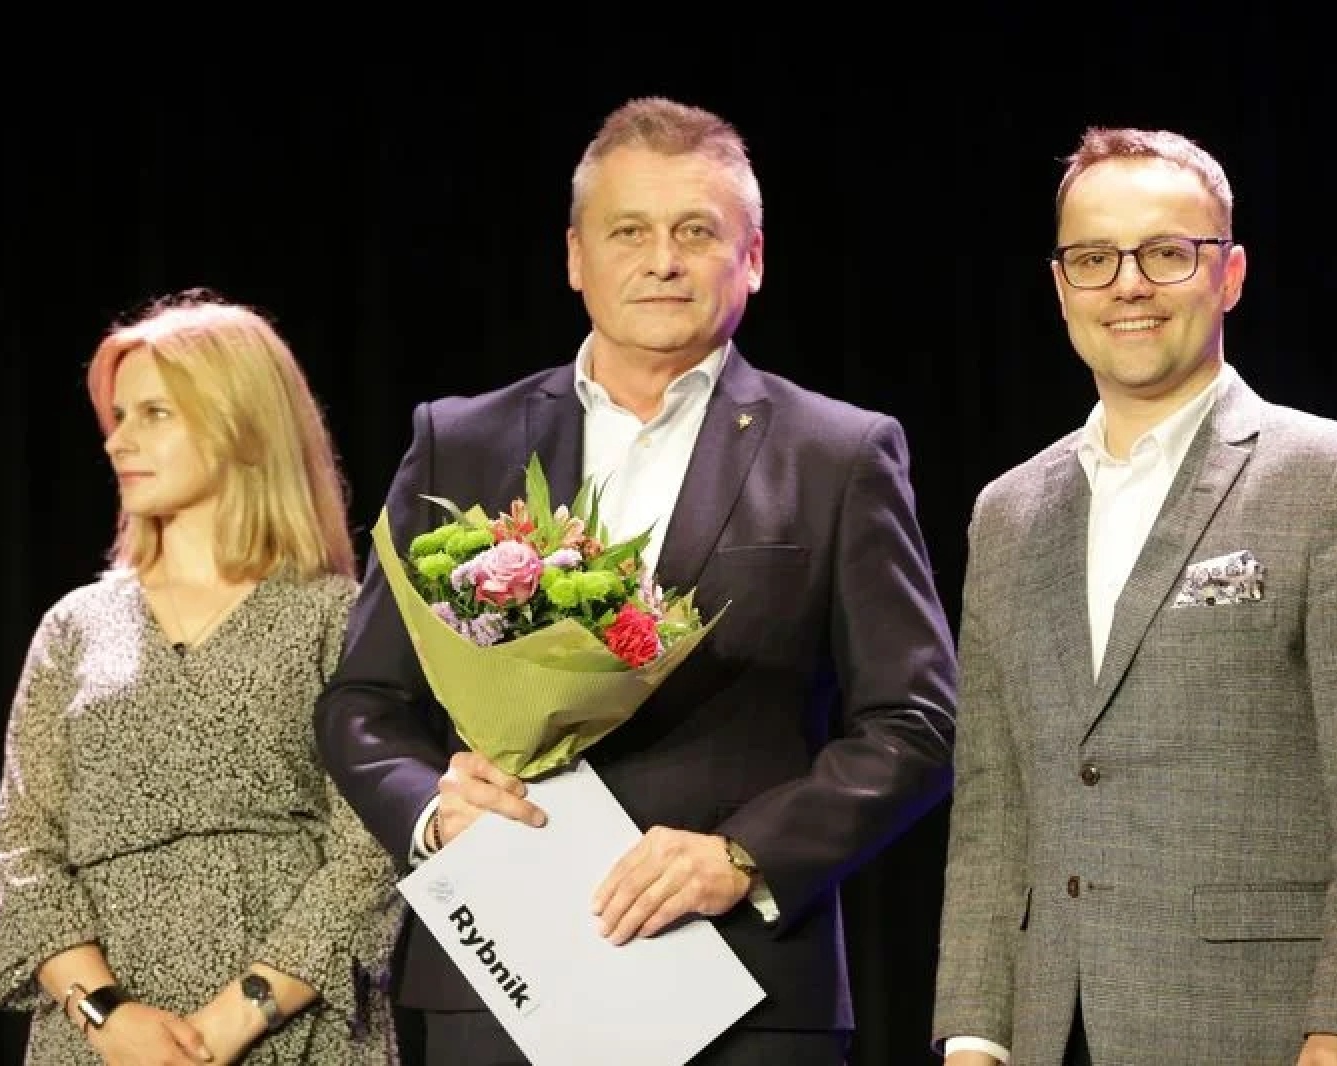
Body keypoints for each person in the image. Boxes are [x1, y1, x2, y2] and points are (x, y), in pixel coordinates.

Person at [314, 96, 958, 1066]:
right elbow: (361, 702)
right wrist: (433, 811)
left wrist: (743, 855)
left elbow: (915, 723)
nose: (662, 260)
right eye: (629, 231)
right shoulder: (460, 440)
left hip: (739, 984)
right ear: (575, 256)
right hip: (501, 973)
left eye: (696, 231)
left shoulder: (839, 455)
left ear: (752, 258)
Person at [931, 127, 1337, 1065]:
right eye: (1094, 258)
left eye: (1167, 253)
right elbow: (992, 806)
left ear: (1230, 274)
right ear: (1061, 286)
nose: (1128, 284)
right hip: (1054, 1033)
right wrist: (974, 1037)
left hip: (1265, 1027)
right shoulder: (1007, 513)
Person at [0, 292, 407, 1065]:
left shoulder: (336, 616)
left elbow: (373, 845)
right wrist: (107, 1016)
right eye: (119, 417)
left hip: (293, 1026)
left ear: (243, 424)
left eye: (154, 414)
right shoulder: (75, 627)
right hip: (101, 1040)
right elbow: (25, 853)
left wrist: (234, 1019)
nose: (118, 441)